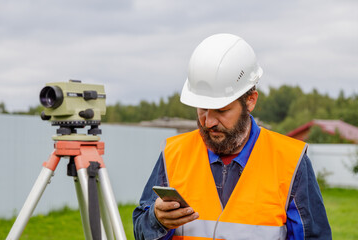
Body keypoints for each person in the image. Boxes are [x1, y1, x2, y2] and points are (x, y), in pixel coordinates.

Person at [133, 33, 331, 239]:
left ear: (250, 101)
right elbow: (140, 230)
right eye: (202, 108)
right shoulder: (173, 154)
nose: (208, 122)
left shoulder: (290, 161)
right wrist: (156, 220)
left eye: (221, 110)